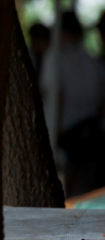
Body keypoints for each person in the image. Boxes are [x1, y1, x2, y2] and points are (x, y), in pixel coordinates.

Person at [42, 11, 105, 196]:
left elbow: (56, 99)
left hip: (69, 139)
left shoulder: (55, 59)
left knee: (76, 194)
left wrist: (53, 136)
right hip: (93, 135)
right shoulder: (92, 62)